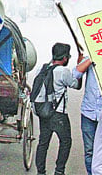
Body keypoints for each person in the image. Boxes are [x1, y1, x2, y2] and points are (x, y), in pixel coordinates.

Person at [34, 43, 87, 175]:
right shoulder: (63, 71)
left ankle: (41, 172)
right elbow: (76, 85)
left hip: (43, 111)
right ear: (64, 58)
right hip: (58, 114)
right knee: (66, 141)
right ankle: (59, 170)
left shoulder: (42, 68)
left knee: (43, 143)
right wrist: (80, 68)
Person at [78, 57, 102, 175]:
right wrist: (90, 59)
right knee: (89, 150)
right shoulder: (89, 60)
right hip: (88, 113)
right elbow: (76, 73)